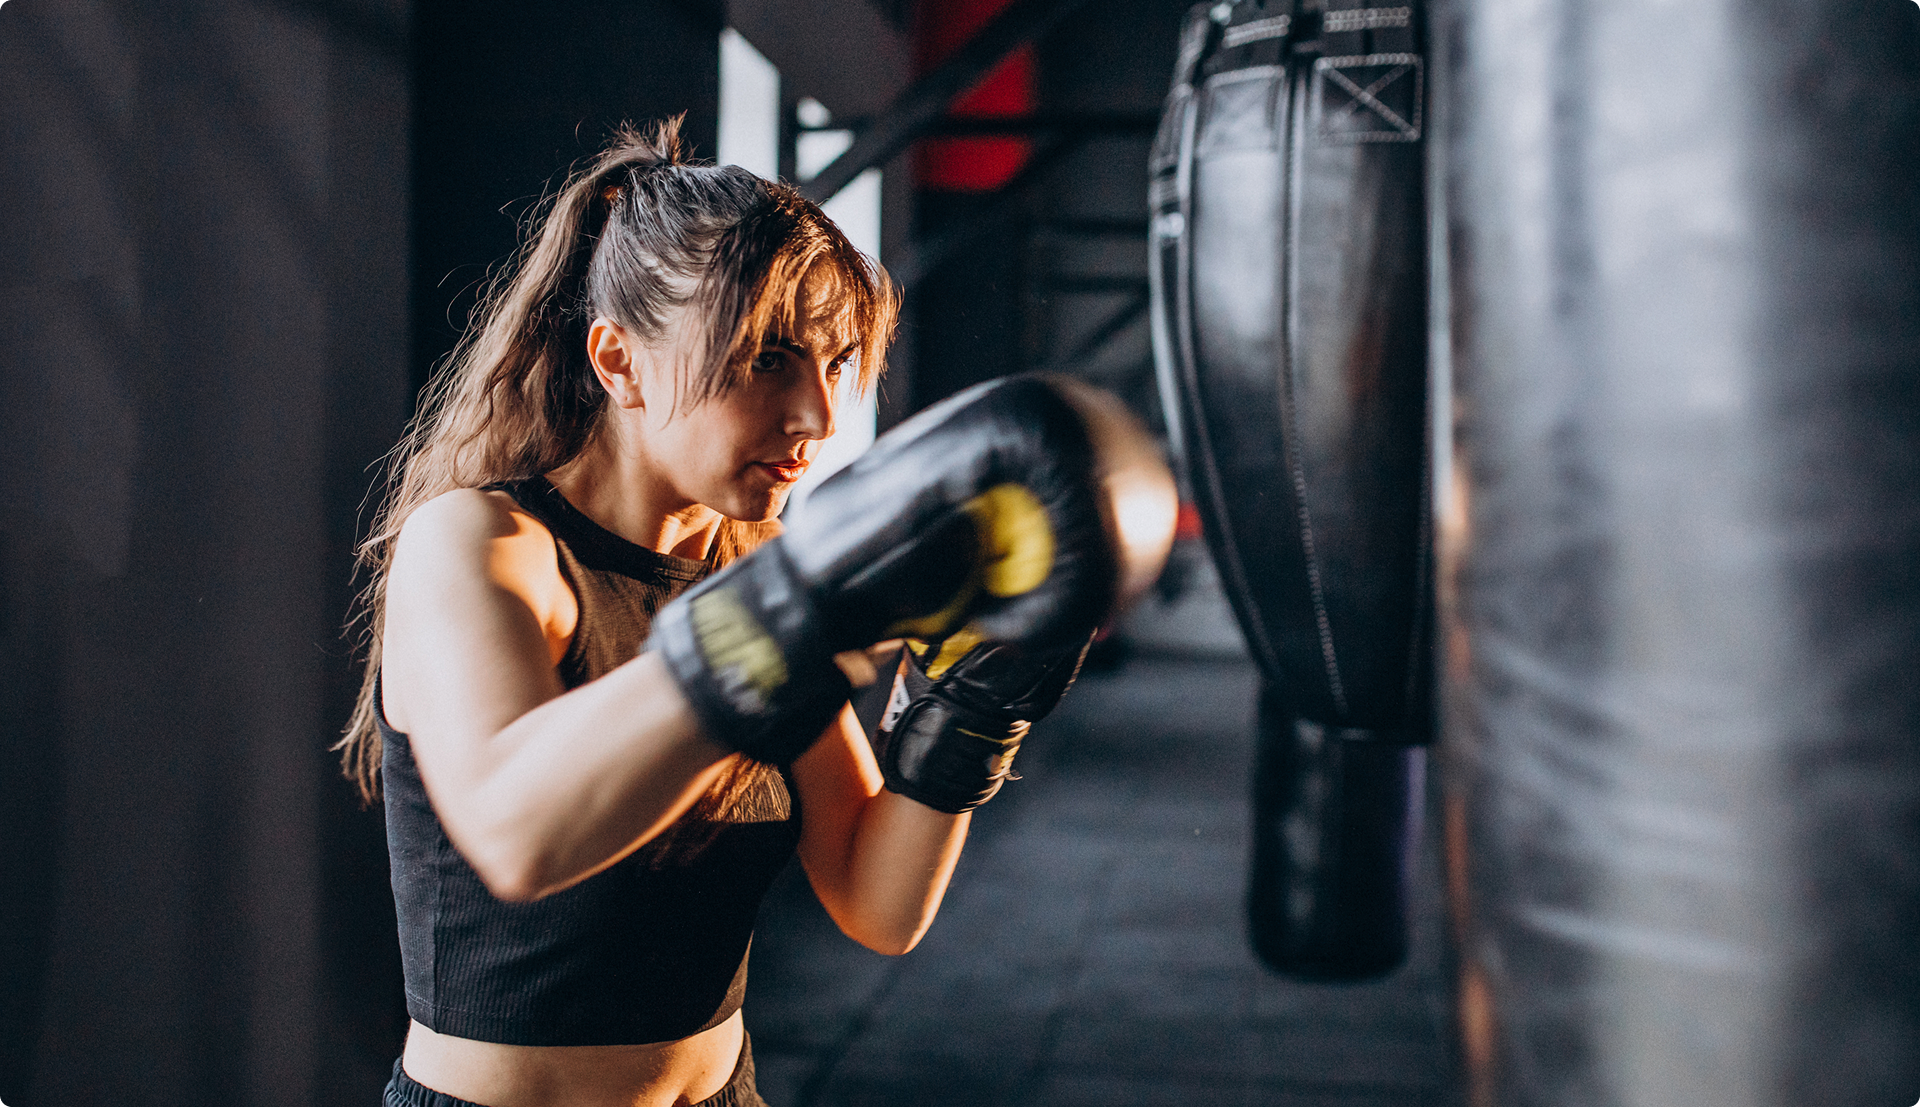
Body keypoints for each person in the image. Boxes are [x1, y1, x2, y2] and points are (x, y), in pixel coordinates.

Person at [335, 118, 1174, 1107]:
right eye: (769, 358)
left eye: (832, 363)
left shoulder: (758, 565)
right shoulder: (483, 548)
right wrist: (799, 613)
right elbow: (520, 835)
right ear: (618, 362)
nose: (816, 417)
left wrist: (971, 709)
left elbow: (877, 900)